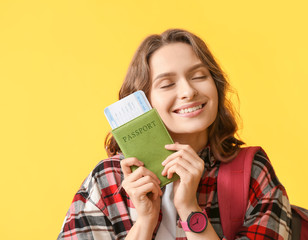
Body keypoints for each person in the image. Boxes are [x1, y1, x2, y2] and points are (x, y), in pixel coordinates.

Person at [58, 29, 292, 240]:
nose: (188, 91)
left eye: (199, 76)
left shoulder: (251, 171)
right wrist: (145, 222)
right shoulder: (107, 180)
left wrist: (190, 209)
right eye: (167, 84)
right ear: (143, 101)